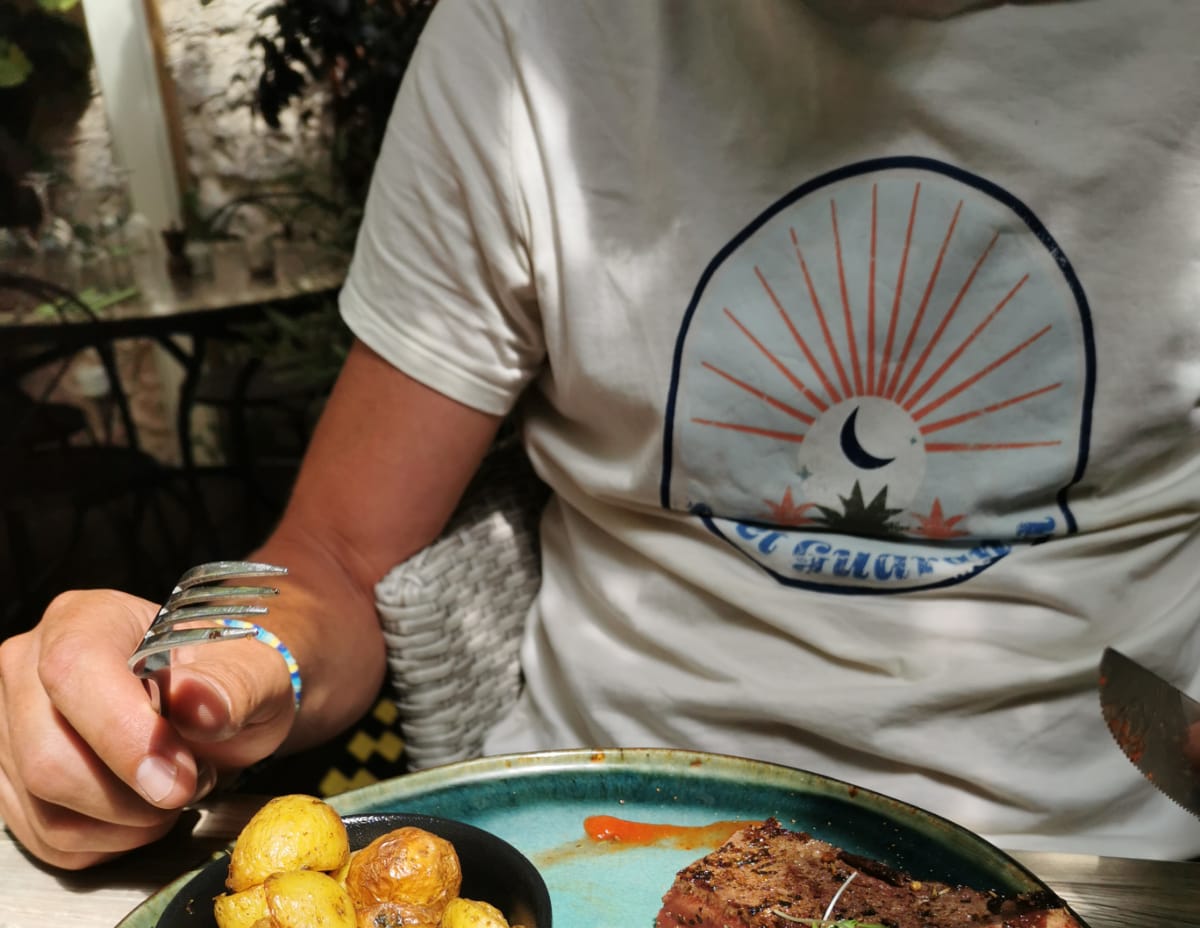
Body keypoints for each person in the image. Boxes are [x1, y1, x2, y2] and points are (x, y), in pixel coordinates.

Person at [1, 0, 1197, 872]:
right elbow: (340, 556)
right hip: (597, 851)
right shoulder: (532, 36)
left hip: (1087, 887)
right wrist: (199, 664)